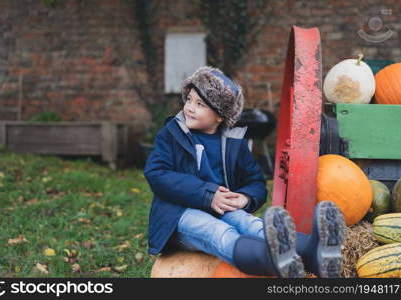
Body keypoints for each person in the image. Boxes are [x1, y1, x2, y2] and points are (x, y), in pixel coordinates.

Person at [144, 66, 346, 278]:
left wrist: (245, 198)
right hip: (178, 217)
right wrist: (206, 194)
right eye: (189, 100)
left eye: (200, 104)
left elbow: (256, 182)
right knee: (218, 233)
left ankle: (312, 252)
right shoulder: (173, 134)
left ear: (220, 116)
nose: (190, 108)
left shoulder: (233, 142)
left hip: (221, 209)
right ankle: (271, 261)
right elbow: (156, 173)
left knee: (251, 224)